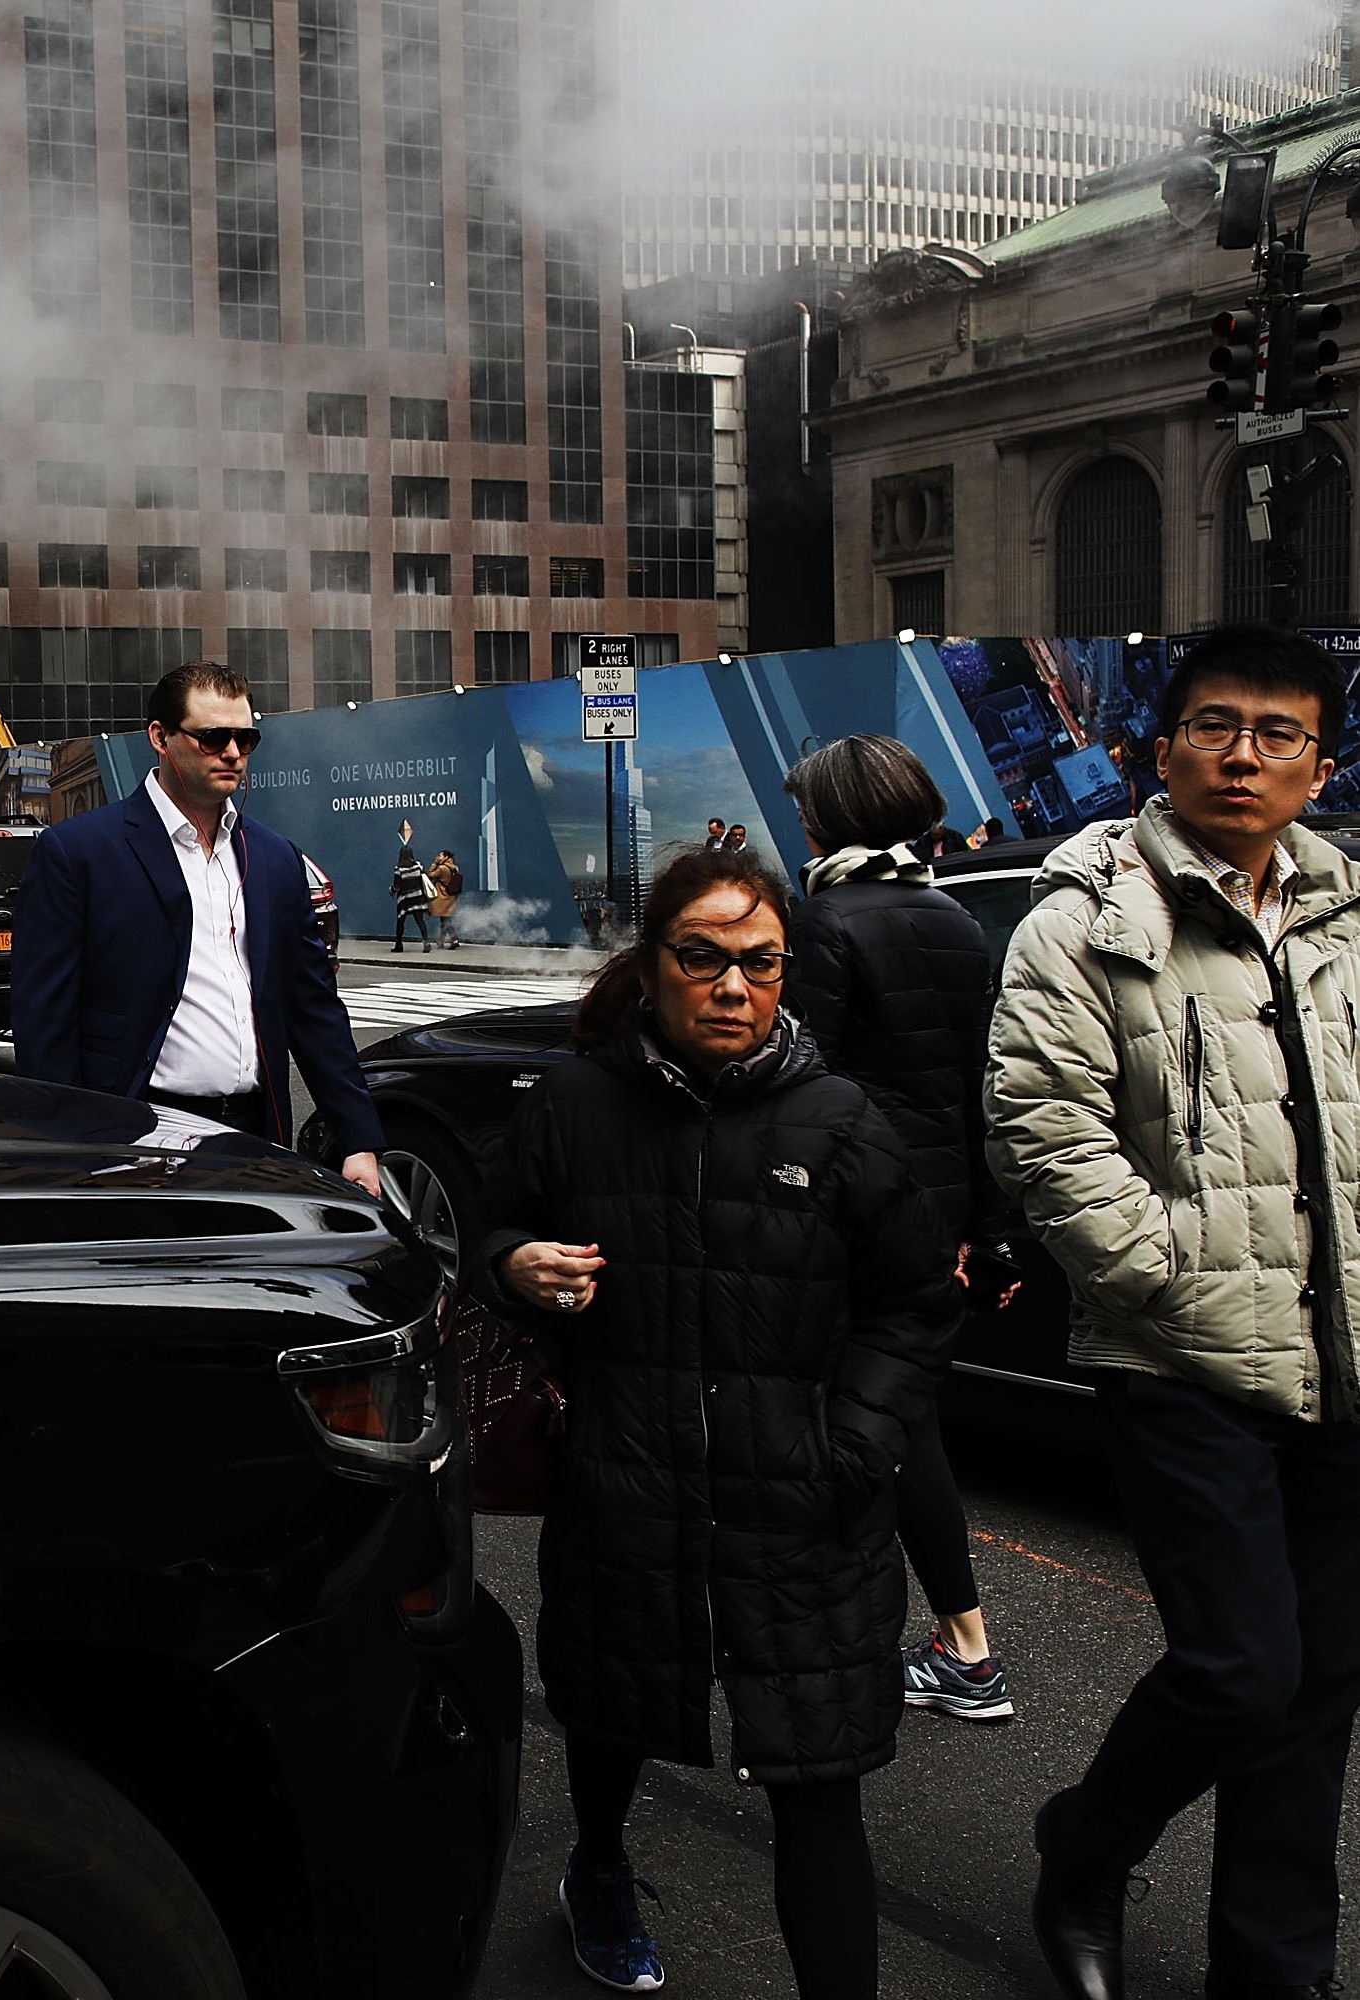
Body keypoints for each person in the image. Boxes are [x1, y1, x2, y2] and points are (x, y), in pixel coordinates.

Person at [476, 845, 959, 2000]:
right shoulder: (575, 1104)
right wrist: (514, 1262)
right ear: (652, 968)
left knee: (818, 1776)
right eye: (703, 958)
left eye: (761, 963)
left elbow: (913, 1303)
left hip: (803, 1505)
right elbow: (484, 1232)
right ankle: (597, 1866)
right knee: (609, 1711)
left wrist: (856, 1441)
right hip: (625, 1484)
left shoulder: (840, 1121)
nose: (733, 986)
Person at [988, 625, 1360, 2000]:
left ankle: (1269, 1978)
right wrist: (1165, 1278)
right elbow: (1041, 1130)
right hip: (1183, 1355)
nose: (1242, 752)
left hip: (1341, 1353)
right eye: (1215, 723)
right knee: (1238, 1671)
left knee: (1317, 1693)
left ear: (1314, 767)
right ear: (1160, 750)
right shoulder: (1080, 917)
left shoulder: (1343, 918)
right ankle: (1081, 1847)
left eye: (1277, 733)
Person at [783, 734, 1014, 1724]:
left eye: (806, 808)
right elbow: (983, 1090)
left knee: (877, 1424)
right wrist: (987, 1224)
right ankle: (957, 1643)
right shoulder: (953, 917)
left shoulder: (824, 918)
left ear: (831, 818)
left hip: (857, 1215)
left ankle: (960, 1648)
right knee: (905, 1417)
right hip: (940, 1212)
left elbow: (808, 1085)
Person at [12, 659, 382, 1191]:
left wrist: (358, 1140)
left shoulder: (276, 858)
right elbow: (44, 1019)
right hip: (136, 1135)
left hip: (257, 1132)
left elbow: (313, 1006)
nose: (232, 753)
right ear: (160, 737)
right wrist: (65, 1152)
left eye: (245, 738)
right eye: (212, 738)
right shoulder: (80, 852)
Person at [389, 844, 437, 952]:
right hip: (418, 897)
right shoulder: (418, 866)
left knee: (400, 922)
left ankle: (399, 945)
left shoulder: (399, 869)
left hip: (405, 899)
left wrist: (391, 890)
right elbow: (423, 879)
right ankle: (426, 943)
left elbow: (397, 885)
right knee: (420, 921)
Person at [428, 847, 465, 950]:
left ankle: (454, 939)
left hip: (443, 896)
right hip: (451, 897)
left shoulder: (442, 868)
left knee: (445, 920)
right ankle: (441, 941)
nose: (438, 857)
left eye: (440, 855)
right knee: (444, 919)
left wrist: (435, 863)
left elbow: (430, 874)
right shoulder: (454, 867)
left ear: (445, 857)